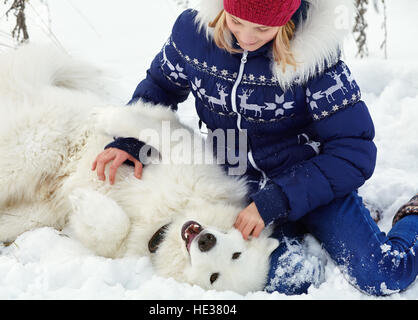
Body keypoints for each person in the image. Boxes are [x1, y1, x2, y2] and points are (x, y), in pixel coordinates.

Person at [92, 0, 418, 295]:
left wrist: (277, 200)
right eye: (235, 20)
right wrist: (131, 139)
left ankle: (410, 217)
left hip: (309, 181)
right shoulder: (192, 36)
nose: (246, 37)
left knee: (382, 274)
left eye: (262, 27)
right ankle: (329, 228)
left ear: (287, 16)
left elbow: (353, 150)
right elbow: (160, 87)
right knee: (286, 281)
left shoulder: (316, 60)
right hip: (235, 184)